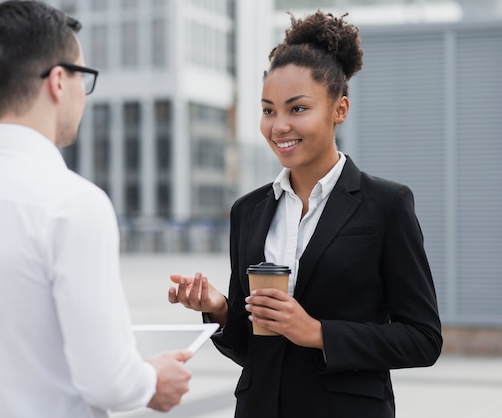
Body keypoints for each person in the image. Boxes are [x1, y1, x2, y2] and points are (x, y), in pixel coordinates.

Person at [0, 2, 192, 418]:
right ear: (57, 81)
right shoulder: (74, 205)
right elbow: (109, 382)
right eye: (82, 77)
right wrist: (153, 379)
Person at [168, 10, 442, 418]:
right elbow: (251, 347)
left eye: (297, 109)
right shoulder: (248, 211)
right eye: (268, 110)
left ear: (340, 109)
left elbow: (422, 339)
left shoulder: (387, 205)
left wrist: (318, 333)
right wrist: (220, 308)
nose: (279, 126)